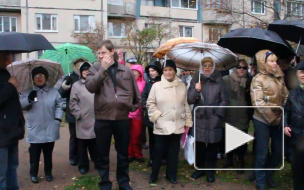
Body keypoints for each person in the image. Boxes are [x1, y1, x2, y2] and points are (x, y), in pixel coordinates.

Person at [85, 40, 141, 190]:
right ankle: (105, 183)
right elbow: (90, 87)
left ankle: (123, 182)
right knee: (102, 155)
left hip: (122, 119)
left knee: (123, 154)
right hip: (102, 119)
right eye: (99, 53)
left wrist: (129, 108)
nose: (100, 56)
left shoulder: (126, 70)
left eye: (103, 52)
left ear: (112, 52)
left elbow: (137, 97)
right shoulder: (95, 69)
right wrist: (102, 69)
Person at [147, 60, 192, 184]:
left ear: (175, 71)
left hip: (177, 123)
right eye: (165, 70)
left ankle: (171, 175)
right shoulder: (156, 86)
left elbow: (185, 104)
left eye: (170, 69)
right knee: (159, 151)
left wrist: (188, 121)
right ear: (162, 71)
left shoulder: (182, 86)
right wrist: (157, 116)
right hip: (162, 124)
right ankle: (154, 174)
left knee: (174, 152)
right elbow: (150, 103)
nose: (168, 72)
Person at [250, 50, 288, 190]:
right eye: (271, 61)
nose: (274, 64)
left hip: (278, 119)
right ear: (263, 63)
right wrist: (273, 118)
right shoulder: (258, 79)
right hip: (262, 120)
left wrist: (282, 114)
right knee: (262, 152)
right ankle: (260, 181)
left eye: (275, 61)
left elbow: (285, 96)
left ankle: (267, 174)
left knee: (279, 151)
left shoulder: (279, 77)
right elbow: (259, 103)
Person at [20, 66, 64, 183]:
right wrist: (29, 99)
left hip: (50, 127)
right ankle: (33, 173)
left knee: (48, 153)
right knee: (34, 154)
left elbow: (60, 104)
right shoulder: (27, 91)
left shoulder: (53, 91)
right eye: (36, 76)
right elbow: (21, 105)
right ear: (33, 78)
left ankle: (48, 173)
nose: (39, 78)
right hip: (35, 128)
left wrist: (58, 119)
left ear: (46, 77)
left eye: (41, 75)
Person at [188, 57, 228, 183]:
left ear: (213, 67)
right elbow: (189, 99)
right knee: (199, 145)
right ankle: (200, 168)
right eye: (204, 65)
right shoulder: (196, 79)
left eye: (209, 65)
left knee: (212, 146)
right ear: (201, 67)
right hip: (199, 118)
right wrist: (196, 90)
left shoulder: (219, 80)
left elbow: (224, 100)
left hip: (213, 119)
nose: (207, 67)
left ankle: (210, 170)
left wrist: (218, 115)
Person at [0, 52, 25, 190]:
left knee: (12, 167)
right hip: (1, 133)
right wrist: (10, 87)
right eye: (5, 55)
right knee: (1, 173)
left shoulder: (6, 74)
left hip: (12, 131)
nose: (9, 58)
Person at [59, 58, 88, 166]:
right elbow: (61, 94)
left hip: (86, 113)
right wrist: (65, 87)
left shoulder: (88, 77)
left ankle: (84, 157)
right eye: (78, 65)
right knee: (74, 137)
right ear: (75, 67)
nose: (80, 67)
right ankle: (73, 157)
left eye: (82, 65)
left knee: (86, 137)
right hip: (73, 113)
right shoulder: (70, 77)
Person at [223, 59, 250, 173]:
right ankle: (229, 159)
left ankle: (240, 161)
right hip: (229, 114)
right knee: (228, 138)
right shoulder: (227, 80)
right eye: (239, 67)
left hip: (243, 114)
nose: (241, 69)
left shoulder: (249, 81)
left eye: (244, 67)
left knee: (242, 139)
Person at [69, 62, 96, 175]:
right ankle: (83, 165)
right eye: (84, 70)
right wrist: (78, 113)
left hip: (95, 118)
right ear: (80, 72)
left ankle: (98, 162)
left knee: (95, 142)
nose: (86, 71)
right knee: (82, 144)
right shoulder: (76, 85)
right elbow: (72, 102)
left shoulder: (96, 83)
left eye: (88, 69)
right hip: (82, 119)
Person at [284, 60, 304, 190]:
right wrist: (285, 125)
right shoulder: (293, 92)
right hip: (296, 134)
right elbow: (286, 111)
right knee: (297, 166)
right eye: (301, 72)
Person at [142, 61, 162, 167]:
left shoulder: (163, 82)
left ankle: (162, 158)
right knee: (152, 139)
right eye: (149, 71)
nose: (151, 73)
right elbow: (144, 96)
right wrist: (147, 106)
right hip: (150, 116)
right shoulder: (148, 83)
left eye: (153, 70)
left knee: (161, 140)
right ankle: (152, 158)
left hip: (162, 116)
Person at [128, 64, 146, 163]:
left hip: (138, 113)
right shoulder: (126, 82)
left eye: (136, 71)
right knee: (127, 135)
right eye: (132, 71)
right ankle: (130, 154)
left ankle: (138, 154)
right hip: (126, 112)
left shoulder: (143, 83)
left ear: (140, 73)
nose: (134, 73)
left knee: (137, 134)